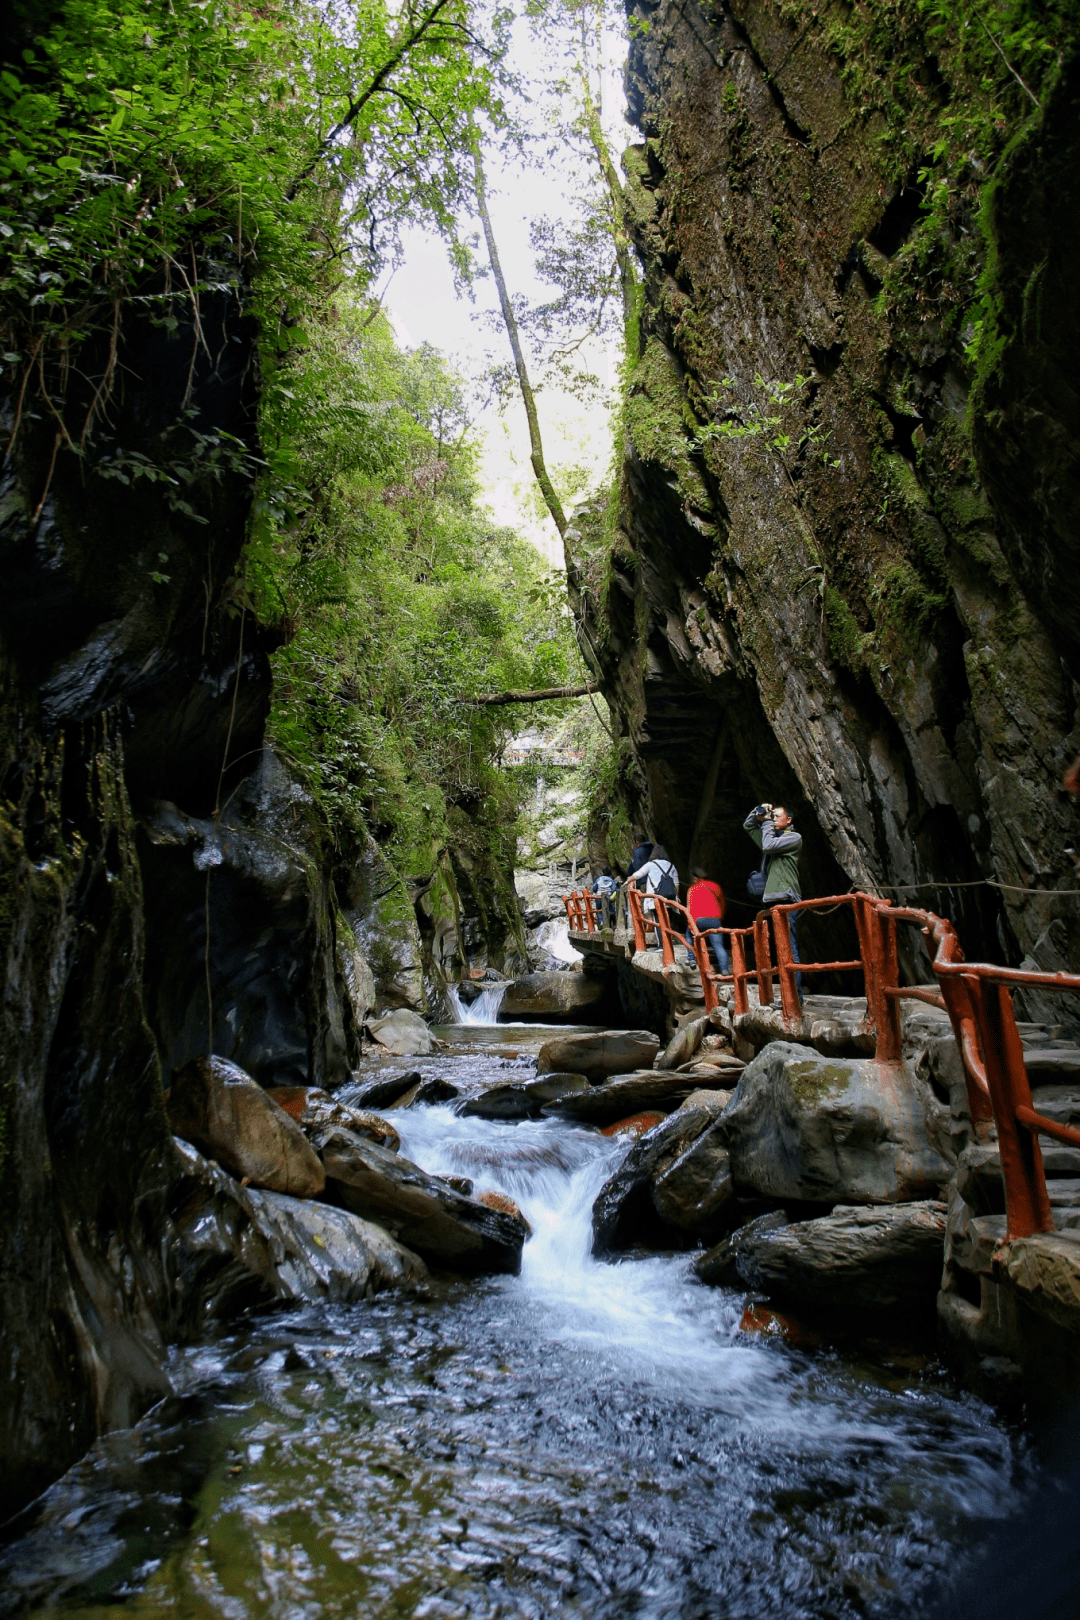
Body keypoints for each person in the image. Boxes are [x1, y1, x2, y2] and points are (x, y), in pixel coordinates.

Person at [744, 802, 804, 993]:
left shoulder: (794, 838)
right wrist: (759, 811)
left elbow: (769, 845)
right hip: (773, 900)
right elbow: (748, 826)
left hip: (786, 897)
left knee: (789, 948)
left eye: (778, 816)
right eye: (774, 815)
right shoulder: (773, 837)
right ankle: (788, 995)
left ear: (789, 820)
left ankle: (795, 997)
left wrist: (767, 822)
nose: (775, 818)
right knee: (779, 949)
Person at [684, 865, 731, 976]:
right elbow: (723, 903)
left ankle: (691, 958)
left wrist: (690, 925)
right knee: (718, 945)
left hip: (699, 920)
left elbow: (689, 909)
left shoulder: (692, 889)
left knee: (689, 935)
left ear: (696, 878)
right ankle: (724, 969)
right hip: (715, 920)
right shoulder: (715, 886)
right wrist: (720, 917)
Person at [636, 843, 679, 935]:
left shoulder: (650, 865)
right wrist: (676, 897)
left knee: (658, 922)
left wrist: (628, 881)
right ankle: (669, 944)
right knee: (668, 921)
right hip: (669, 898)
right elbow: (676, 884)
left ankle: (661, 946)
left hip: (655, 898)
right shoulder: (671, 865)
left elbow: (638, 874)